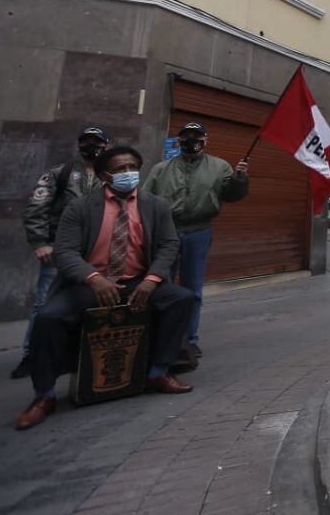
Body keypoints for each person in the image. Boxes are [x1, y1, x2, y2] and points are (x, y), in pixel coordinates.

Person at [15, 146, 195, 431]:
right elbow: (65, 251)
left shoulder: (155, 205)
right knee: (49, 318)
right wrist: (92, 278)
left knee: (181, 299)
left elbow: (169, 244)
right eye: (120, 169)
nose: (128, 173)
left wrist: (152, 279)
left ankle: (158, 372)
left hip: (137, 281)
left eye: (132, 167)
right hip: (90, 283)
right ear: (104, 176)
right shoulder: (81, 207)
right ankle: (44, 395)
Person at [141, 122, 249, 364]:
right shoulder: (161, 169)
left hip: (199, 231)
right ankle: (160, 337)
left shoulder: (219, 167)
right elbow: (145, 201)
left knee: (193, 289)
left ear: (205, 140)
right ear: (179, 140)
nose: (192, 140)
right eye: (187, 136)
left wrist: (240, 179)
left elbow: (232, 195)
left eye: (197, 136)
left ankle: (189, 339)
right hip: (166, 233)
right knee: (161, 285)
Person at [13, 126, 110, 380]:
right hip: (59, 249)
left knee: (88, 302)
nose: (91, 147)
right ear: (79, 145)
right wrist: (40, 242)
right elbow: (36, 207)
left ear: (106, 146)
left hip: (95, 252)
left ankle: (75, 353)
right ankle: (31, 355)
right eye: (86, 142)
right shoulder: (61, 173)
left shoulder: (109, 176)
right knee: (45, 302)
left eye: (97, 142)